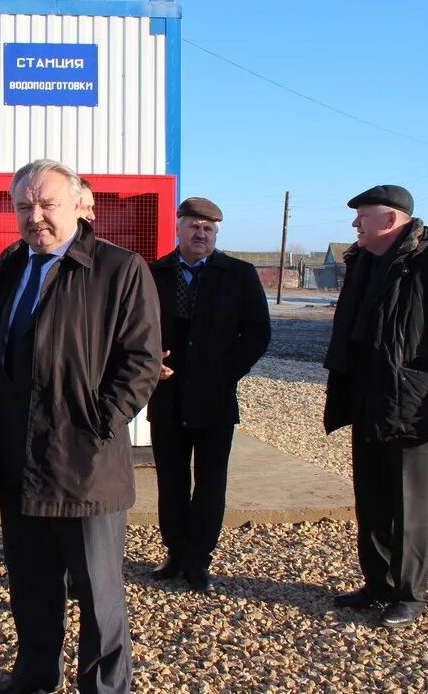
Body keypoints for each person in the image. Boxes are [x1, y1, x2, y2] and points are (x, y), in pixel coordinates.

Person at [0, 160, 161, 694]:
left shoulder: (120, 270)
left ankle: (104, 687)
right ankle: (34, 676)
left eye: (47, 204)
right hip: (17, 458)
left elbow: (140, 363)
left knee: (99, 594)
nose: (35, 216)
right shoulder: (8, 268)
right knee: (31, 584)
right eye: (24, 206)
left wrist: (96, 424)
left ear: (80, 203)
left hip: (85, 464)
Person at [323, 184, 428, 627]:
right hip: (367, 399)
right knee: (371, 499)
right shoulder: (362, 262)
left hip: (415, 406)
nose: (355, 224)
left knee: (411, 505)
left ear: (391, 220)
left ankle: (410, 593)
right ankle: (377, 583)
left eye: (363, 216)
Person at [147, 198, 270, 592]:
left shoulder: (239, 274)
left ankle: (199, 558)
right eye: (194, 226)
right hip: (166, 395)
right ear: (178, 228)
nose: (201, 234)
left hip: (214, 399)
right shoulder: (153, 274)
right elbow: (133, 327)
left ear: (216, 234)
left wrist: (225, 372)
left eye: (209, 229)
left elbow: (257, 333)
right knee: (171, 479)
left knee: (211, 481)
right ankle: (175, 553)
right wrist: (150, 363)